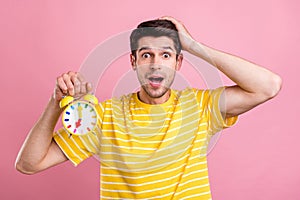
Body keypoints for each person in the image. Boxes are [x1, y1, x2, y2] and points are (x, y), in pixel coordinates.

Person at [15, 16, 282, 199]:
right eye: (146, 55)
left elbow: (268, 85)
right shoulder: (105, 116)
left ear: (178, 63)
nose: (156, 64)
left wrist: (193, 46)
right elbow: (29, 164)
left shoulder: (200, 106)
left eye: (166, 55)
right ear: (134, 61)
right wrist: (55, 103)